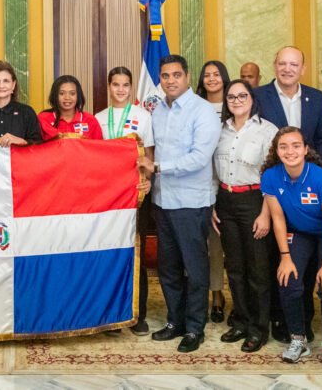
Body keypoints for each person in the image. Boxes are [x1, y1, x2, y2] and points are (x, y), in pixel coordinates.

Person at [136, 54, 221, 353]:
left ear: (187, 77)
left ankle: (195, 328)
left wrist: (156, 167)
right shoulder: (157, 111)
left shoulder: (203, 111)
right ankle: (176, 321)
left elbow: (199, 159)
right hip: (162, 202)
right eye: (165, 76)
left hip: (191, 203)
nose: (170, 80)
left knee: (195, 269)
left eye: (176, 75)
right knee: (168, 268)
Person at [261, 126, 322, 371]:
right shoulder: (270, 176)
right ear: (276, 151)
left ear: (305, 149)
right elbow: (278, 219)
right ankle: (298, 339)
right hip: (300, 232)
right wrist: (285, 257)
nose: (290, 151)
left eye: (296, 145)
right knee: (288, 280)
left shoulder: (321, 177)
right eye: (283, 146)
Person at [255, 46, 322, 342]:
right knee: (277, 254)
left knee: (305, 258)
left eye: (293, 64)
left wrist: (319, 178)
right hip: (275, 183)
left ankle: (303, 318)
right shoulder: (258, 96)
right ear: (274, 65)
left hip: (308, 184)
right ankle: (279, 317)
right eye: (282, 63)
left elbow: (320, 140)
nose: (287, 69)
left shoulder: (316, 97)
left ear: (303, 68)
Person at [211, 78, 277, 352]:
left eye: (242, 96)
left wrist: (266, 213)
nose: (236, 101)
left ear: (252, 99)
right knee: (235, 268)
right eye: (231, 97)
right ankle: (240, 321)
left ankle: (259, 328)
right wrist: (214, 203)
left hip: (254, 201)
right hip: (225, 201)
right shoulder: (220, 130)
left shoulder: (267, 130)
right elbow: (213, 168)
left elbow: (273, 175)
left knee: (258, 270)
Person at [95, 66, 154, 336]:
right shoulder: (98, 119)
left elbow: (149, 156)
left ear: (131, 88)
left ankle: (137, 314)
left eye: (125, 85)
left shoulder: (143, 116)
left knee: (135, 251)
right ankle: (112, 314)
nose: (120, 90)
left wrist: (146, 180)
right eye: (116, 84)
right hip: (106, 196)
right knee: (109, 250)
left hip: (134, 192)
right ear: (109, 87)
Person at [196, 60, 230, 321]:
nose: (211, 79)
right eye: (206, 75)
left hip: (232, 181)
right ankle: (216, 294)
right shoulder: (195, 106)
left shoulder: (235, 104)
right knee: (212, 244)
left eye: (216, 74)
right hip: (203, 182)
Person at [37, 75, 101, 141]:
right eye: (61, 93)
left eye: (72, 93)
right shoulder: (43, 119)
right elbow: (36, 147)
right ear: (55, 95)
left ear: (78, 95)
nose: (67, 97)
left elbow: (98, 147)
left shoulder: (90, 120)